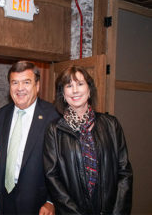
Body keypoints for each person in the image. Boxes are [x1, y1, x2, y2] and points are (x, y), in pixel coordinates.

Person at [43, 65, 133, 214]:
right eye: (69, 85)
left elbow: (124, 173)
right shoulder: (54, 130)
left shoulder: (111, 124)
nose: (75, 90)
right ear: (63, 94)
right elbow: (52, 177)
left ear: (89, 90)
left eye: (80, 84)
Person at [0, 61, 59, 214]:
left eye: (26, 82)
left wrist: (51, 201)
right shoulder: (0, 115)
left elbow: (61, 164)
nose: (20, 88)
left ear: (37, 86)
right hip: (4, 200)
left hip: (38, 202)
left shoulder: (54, 116)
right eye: (14, 82)